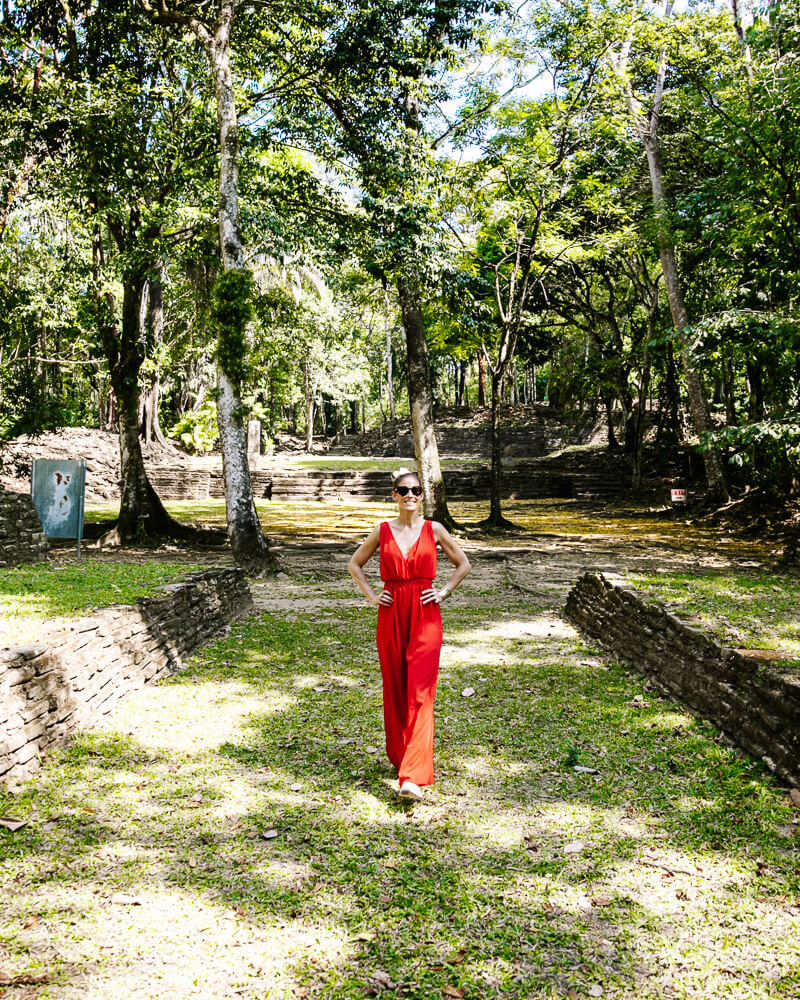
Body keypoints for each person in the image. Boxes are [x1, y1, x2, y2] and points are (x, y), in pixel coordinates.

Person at [348, 468, 471, 801]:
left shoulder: (436, 529)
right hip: (391, 614)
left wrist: (443, 592)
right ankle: (401, 755)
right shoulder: (383, 530)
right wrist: (373, 596)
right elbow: (354, 564)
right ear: (394, 496)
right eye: (404, 490)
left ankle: (413, 777)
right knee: (396, 686)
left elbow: (463, 563)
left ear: (422, 495)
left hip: (424, 614)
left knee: (420, 690)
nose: (411, 495)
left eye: (416, 490)